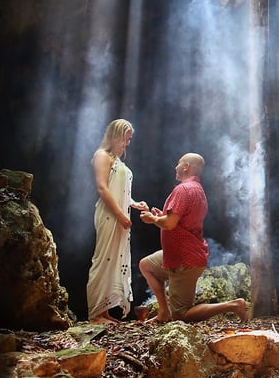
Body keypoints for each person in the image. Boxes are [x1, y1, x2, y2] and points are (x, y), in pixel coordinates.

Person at [139, 152, 248, 322]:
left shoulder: (183, 189)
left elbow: (169, 224)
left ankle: (234, 305)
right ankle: (163, 312)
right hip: (179, 254)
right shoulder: (197, 189)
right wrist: (161, 216)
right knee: (147, 265)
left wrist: (152, 219)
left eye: (179, 163)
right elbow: (178, 220)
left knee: (182, 314)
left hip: (184, 259)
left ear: (186, 167)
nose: (176, 167)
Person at [86, 118, 149, 324]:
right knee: (103, 259)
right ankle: (94, 314)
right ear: (116, 136)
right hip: (108, 215)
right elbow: (103, 189)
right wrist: (121, 215)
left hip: (120, 215)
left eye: (129, 140)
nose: (127, 143)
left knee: (113, 261)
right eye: (126, 139)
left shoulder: (118, 161)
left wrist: (133, 204)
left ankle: (105, 312)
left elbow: (119, 191)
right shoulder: (102, 156)